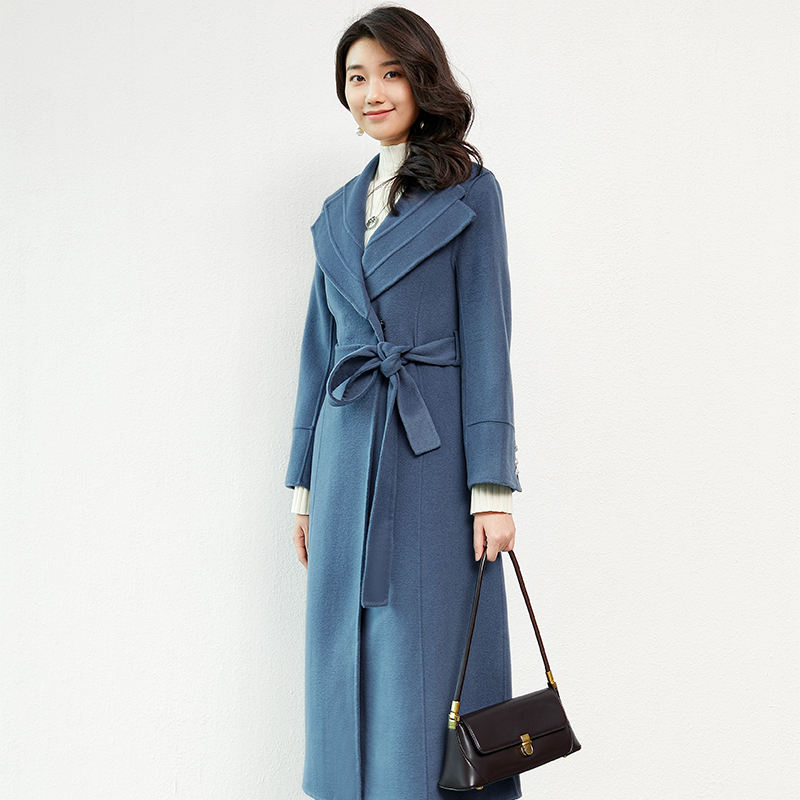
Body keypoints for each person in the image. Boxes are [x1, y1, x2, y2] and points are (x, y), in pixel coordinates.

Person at [285, 6, 523, 799]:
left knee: (425, 653)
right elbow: (319, 356)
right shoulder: (335, 214)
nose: (373, 92)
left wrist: (492, 488)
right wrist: (302, 487)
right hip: (345, 457)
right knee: (342, 647)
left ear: (423, 80)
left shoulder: (471, 193)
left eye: (391, 73)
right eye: (357, 77)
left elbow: (488, 337)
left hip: (431, 461)